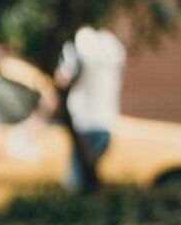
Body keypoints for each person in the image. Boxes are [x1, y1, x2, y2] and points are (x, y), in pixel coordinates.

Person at [22, 26, 126, 191]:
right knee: (89, 182)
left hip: (83, 124)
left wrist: (37, 121)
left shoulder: (80, 44)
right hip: (106, 124)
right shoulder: (112, 45)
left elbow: (62, 81)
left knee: (76, 185)